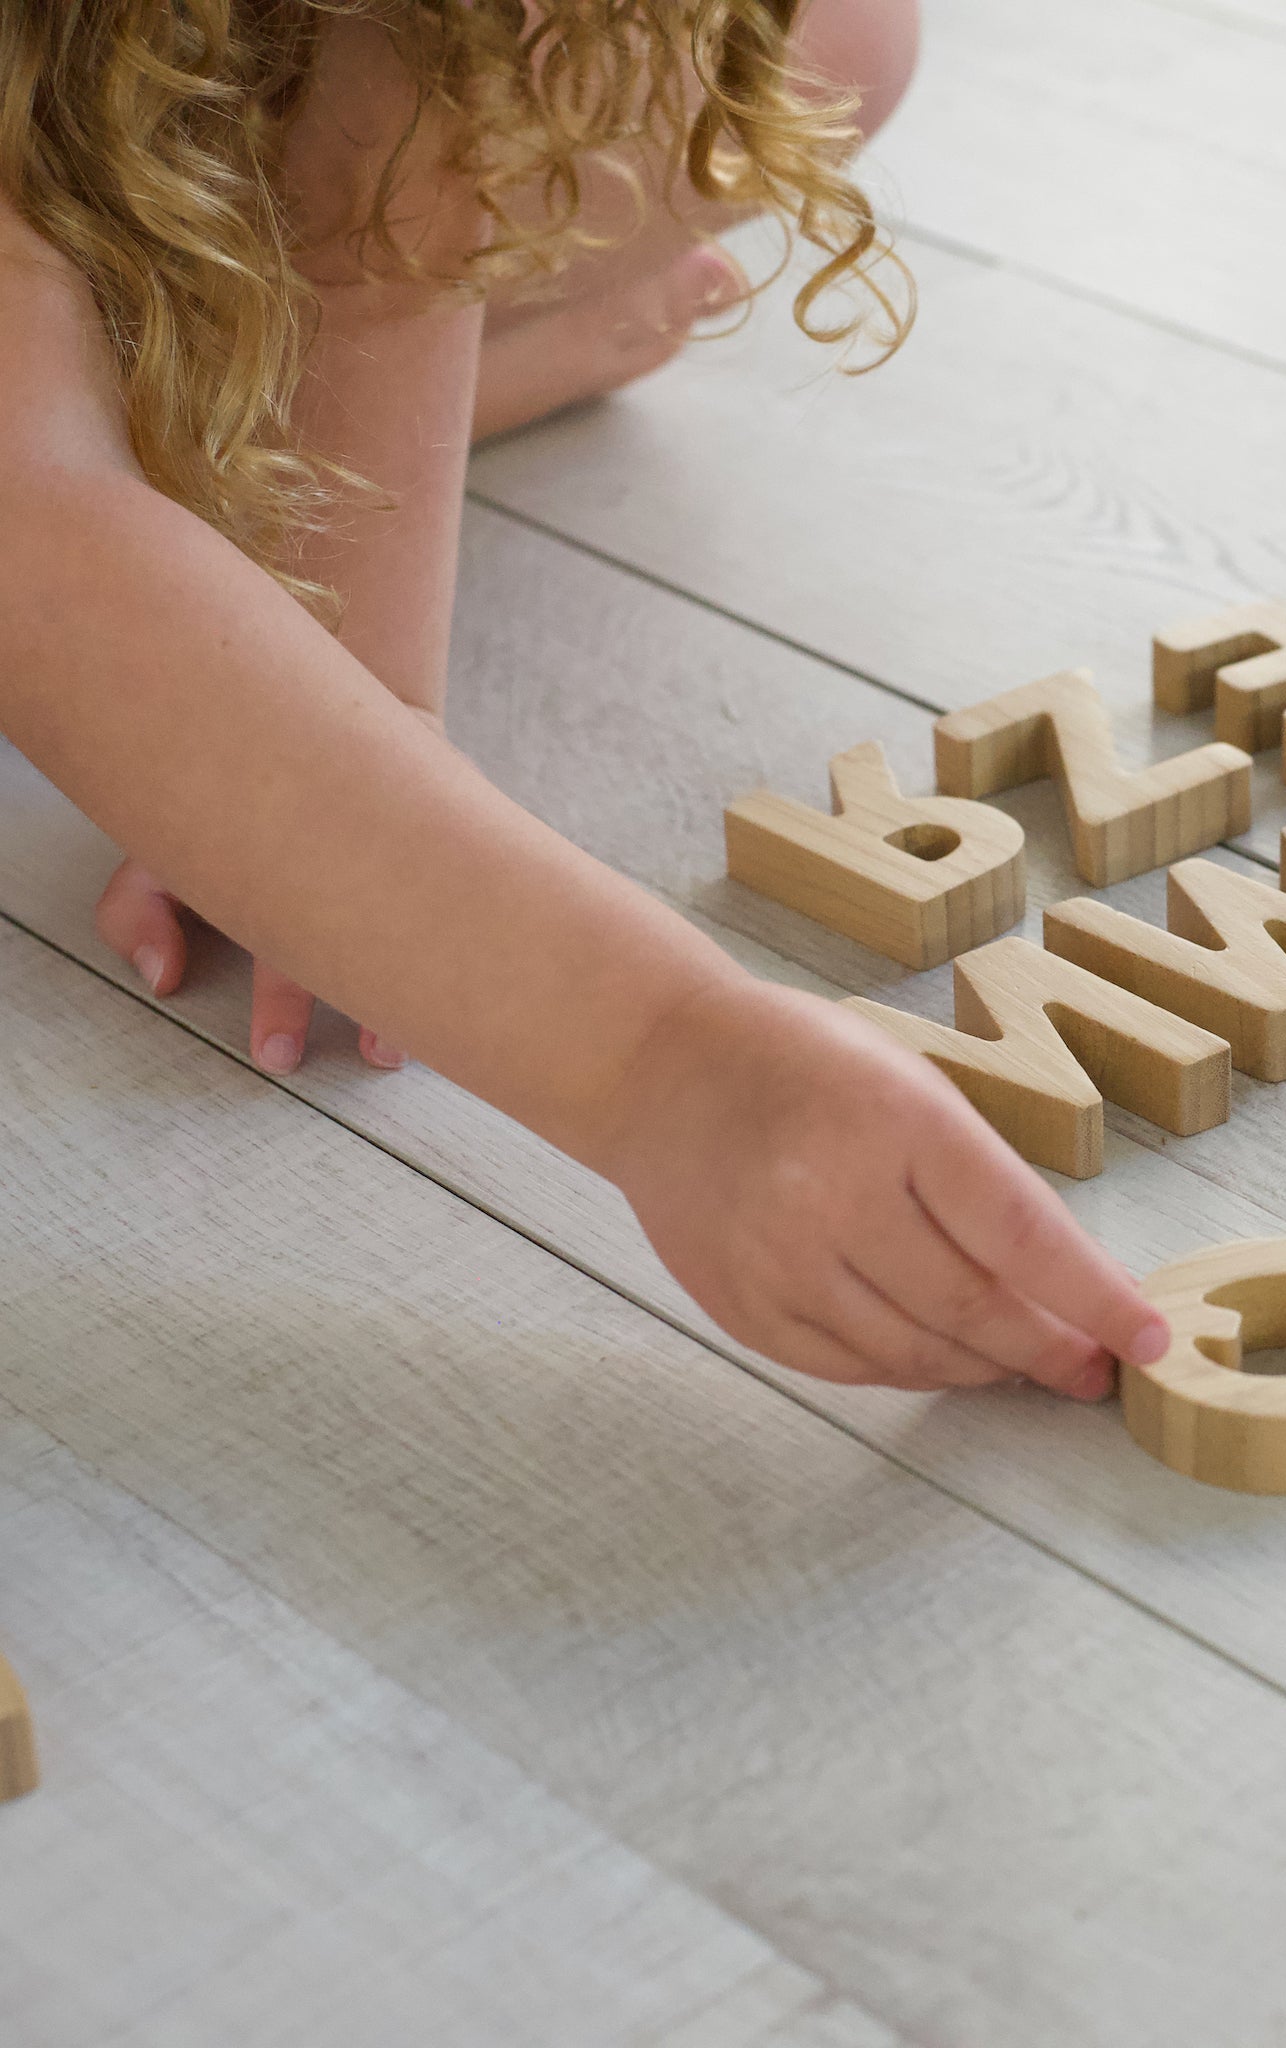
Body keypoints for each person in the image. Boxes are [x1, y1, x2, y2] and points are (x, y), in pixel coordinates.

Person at [0, 2, 1172, 1400]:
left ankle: (213, 423)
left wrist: (346, 728)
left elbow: (399, 172)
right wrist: (665, 1062)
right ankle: (223, 423)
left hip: (161, 115)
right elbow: (33, 525)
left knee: (844, 44)